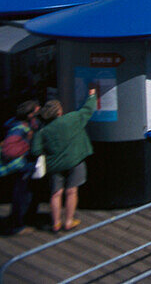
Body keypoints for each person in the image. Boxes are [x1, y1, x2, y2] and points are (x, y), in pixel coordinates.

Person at [32, 88, 97, 233]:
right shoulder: (71, 119)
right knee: (72, 191)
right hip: (75, 161)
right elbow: (87, 110)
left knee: (56, 193)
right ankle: (68, 221)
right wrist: (92, 96)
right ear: (59, 112)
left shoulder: (42, 131)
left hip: (54, 166)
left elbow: (36, 150)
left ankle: (56, 223)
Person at [1, 100, 40, 234]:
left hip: (26, 166)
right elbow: (9, 151)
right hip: (21, 167)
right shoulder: (18, 129)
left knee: (24, 194)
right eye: (36, 109)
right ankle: (18, 226)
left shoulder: (26, 123)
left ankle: (21, 220)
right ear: (29, 114)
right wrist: (26, 145)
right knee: (21, 196)